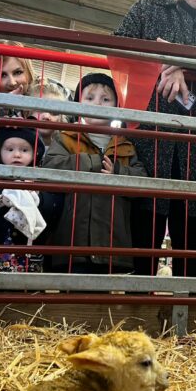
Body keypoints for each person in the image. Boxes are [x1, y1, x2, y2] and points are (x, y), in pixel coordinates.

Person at [114, 0, 196, 278]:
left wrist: (184, 61)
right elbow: (118, 44)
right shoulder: (150, 6)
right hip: (150, 137)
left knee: (194, 231)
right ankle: (140, 306)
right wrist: (162, 63)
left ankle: (191, 311)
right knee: (144, 223)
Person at [42, 73, 148, 273]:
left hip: (113, 247)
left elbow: (142, 180)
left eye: (105, 99)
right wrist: (93, 162)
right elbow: (50, 166)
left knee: (103, 301)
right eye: (89, 98)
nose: (97, 104)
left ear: (117, 106)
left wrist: (117, 171)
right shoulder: (64, 138)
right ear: (78, 103)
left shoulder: (125, 145)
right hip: (71, 244)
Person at [0, 127, 62, 272]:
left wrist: (38, 196)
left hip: (29, 256)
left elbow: (54, 208)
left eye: (25, 150)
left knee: (23, 292)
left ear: (35, 153)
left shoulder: (42, 179)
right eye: (9, 149)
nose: (17, 155)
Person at [0, 39, 35, 151]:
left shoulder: (44, 97)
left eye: (18, 72)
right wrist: (4, 107)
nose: (12, 82)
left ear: (28, 73)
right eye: (2, 75)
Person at [25, 79, 71, 153]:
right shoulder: (18, 140)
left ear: (61, 118)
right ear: (28, 113)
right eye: (39, 109)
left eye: (54, 112)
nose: (46, 116)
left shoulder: (66, 147)